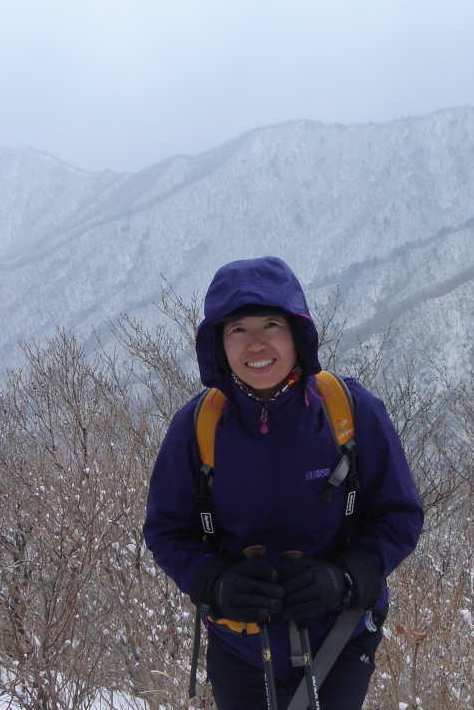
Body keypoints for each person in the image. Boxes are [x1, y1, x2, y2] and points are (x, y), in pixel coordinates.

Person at [143, 256, 424, 710]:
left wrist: (345, 578)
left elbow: (401, 515)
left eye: (270, 325)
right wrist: (214, 583)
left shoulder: (349, 411)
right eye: (237, 329)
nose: (255, 345)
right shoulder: (197, 427)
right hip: (240, 647)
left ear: (297, 333)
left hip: (340, 635)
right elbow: (166, 530)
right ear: (218, 343)